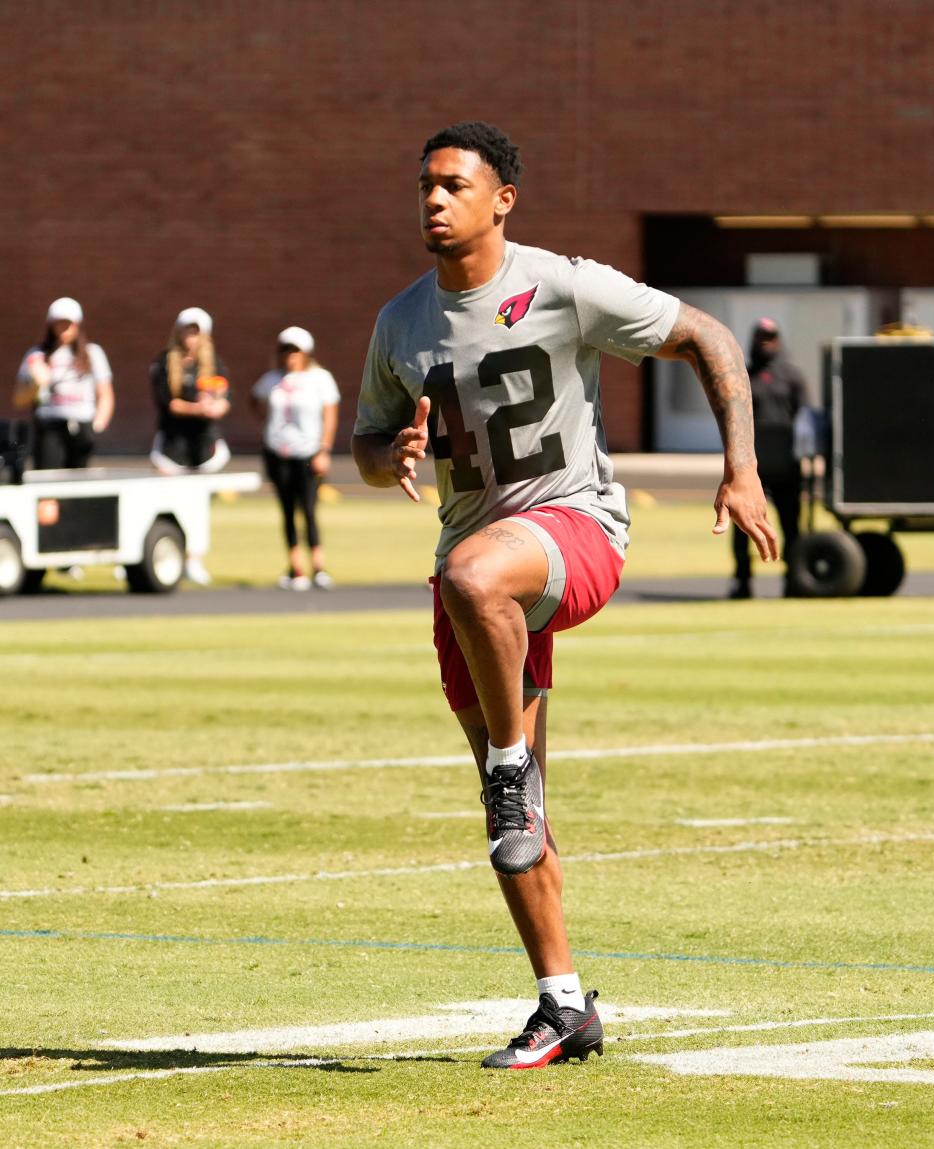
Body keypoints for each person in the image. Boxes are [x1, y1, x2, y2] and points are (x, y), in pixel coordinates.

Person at [352, 121, 777, 1070]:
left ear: (502, 198)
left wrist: (740, 468)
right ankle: (563, 1003)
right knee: (518, 811)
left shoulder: (562, 284)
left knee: (479, 619)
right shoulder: (401, 321)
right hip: (478, 575)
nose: (433, 198)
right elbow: (366, 446)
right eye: (424, 183)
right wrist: (392, 456)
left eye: (455, 184)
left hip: (572, 530)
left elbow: (706, 336)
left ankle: (511, 764)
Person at [251, 326, 340, 590]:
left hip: (308, 452)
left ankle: (318, 566)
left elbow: (330, 415)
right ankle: (295, 568)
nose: (289, 355)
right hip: (278, 452)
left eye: (294, 350)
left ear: (305, 352)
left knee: (309, 510)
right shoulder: (272, 380)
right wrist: (267, 426)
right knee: (287, 510)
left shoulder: (320, 378)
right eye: (285, 349)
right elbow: (255, 400)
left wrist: (324, 450)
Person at [729, 318, 812, 599]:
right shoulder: (742, 376)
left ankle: (794, 579)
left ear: (778, 340)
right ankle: (742, 580)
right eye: (761, 337)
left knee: (791, 526)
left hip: (787, 465)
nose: (765, 342)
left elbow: (806, 419)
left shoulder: (792, 377)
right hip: (751, 467)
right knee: (743, 526)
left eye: (771, 337)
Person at [149, 307, 231, 585]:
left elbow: (224, 397)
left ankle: (194, 559)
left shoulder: (214, 363)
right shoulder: (164, 363)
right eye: (188, 330)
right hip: (173, 447)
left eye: (198, 332)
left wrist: (216, 407)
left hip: (202, 447)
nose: (192, 337)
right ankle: (153, 552)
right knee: (166, 503)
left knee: (197, 507)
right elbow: (168, 403)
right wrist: (198, 409)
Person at [13, 297, 114, 469]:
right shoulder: (37, 355)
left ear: (77, 325)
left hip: (82, 425)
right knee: (48, 482)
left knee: (78, 484)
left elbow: (105, 393)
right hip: (49, 425)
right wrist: (37, 385)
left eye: (68, 324)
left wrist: (99, 423)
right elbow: (18, 400)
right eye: (59, 323)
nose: (64, 329)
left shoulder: (92, 353)